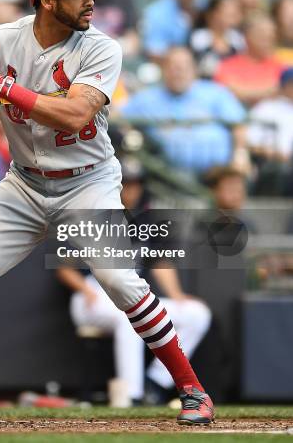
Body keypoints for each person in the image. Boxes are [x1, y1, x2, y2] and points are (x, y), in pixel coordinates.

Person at [0, 0, 213, 425]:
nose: (91, 0)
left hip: (88, 182)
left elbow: (76, 113)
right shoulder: (2, 40)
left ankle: (193, 390)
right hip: (24, 183)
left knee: (121, 281)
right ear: (48, 0)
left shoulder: (102, 48)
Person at [58, 158, 211, 404]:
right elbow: (64, 268)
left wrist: (178, 295)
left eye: (135, 184)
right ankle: (132, 395)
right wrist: (85, 290)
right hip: (92, 295)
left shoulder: (146, 220)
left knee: (197, 313)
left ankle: (155, 384)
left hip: (131, 292)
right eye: (125, 184)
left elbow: (160, 262)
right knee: (128, 316)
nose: (130, 190)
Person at [121, 47, 246, 174]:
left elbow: (238, 124)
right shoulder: (146, 98)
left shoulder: (215, 92)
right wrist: (130, 136)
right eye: (173, 67)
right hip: (167, 175)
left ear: (194, 70)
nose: (178, 72)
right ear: (163, 70)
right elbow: (118, 119)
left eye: (184, 67)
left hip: (218, 174)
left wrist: (240, 153)